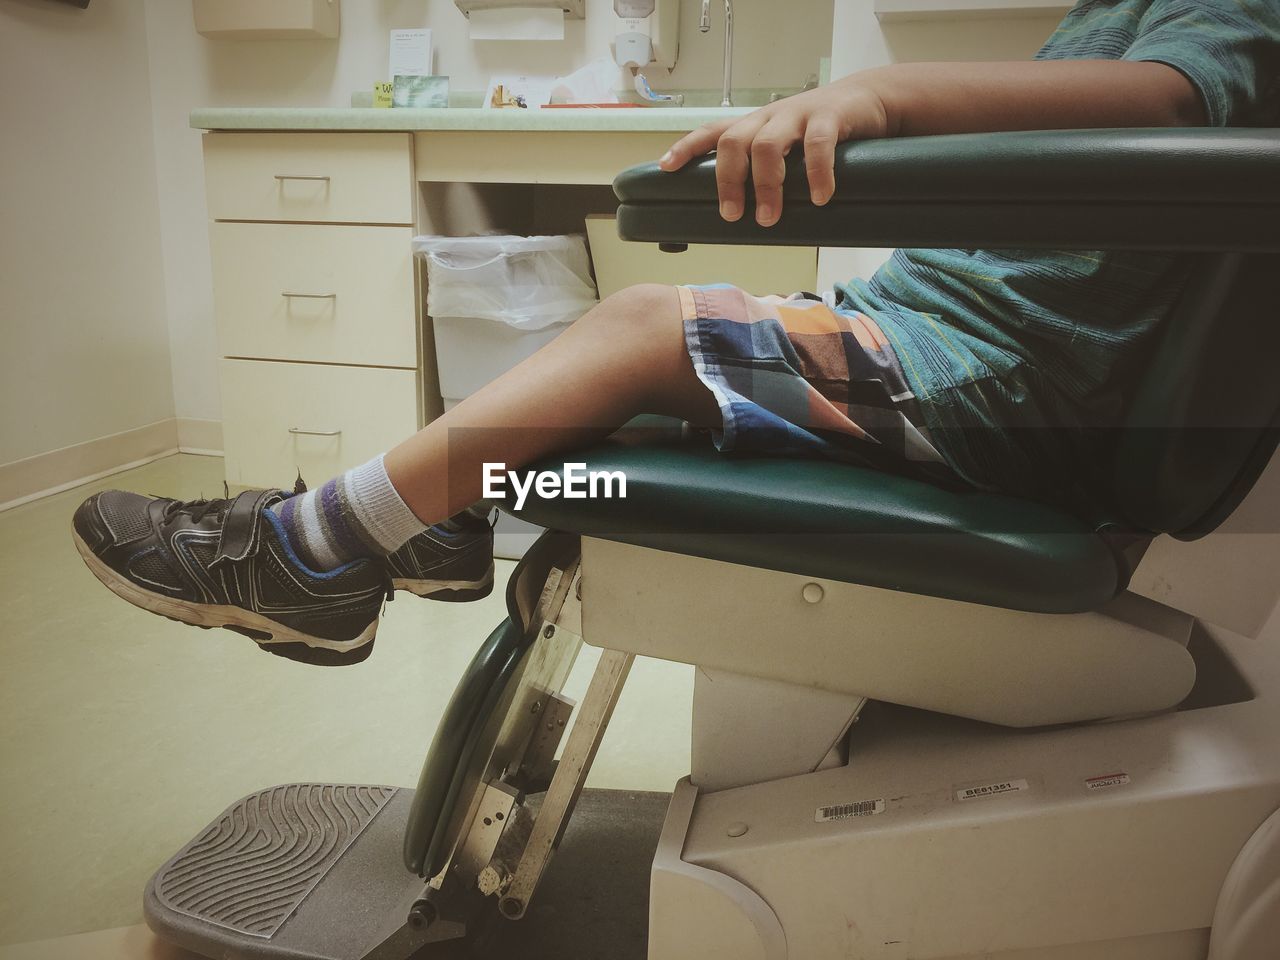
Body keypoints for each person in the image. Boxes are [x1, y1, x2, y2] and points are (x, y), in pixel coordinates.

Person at [72, 0, 1279, 658]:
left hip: (993, 391)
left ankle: (308, 556)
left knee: (648, 323)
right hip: (935, 344)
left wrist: (874, 94)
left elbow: (1174, 103)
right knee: (580, 383)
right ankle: (442, 520)